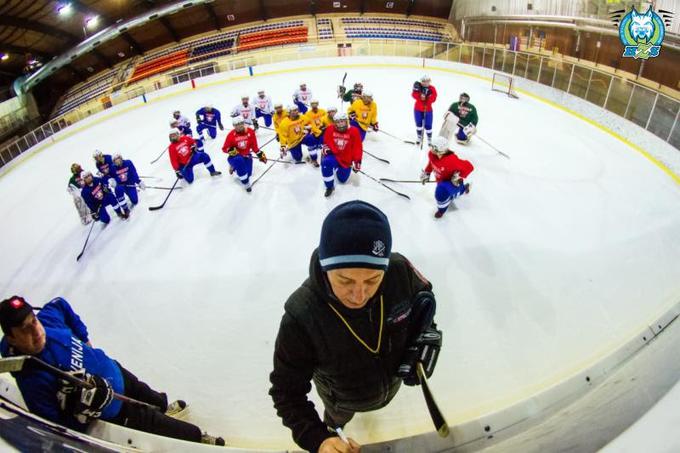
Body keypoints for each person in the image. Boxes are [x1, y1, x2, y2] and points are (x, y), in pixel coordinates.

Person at [269, 200, 442, 453]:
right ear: (326, 268)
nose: (359, 295)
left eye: (373, 280)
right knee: (336, 419)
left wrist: (426, 337)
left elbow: (422, 308)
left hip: (389, 385)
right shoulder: (301, 315)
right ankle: (333, 426)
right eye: (345, 280)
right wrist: (318, 439)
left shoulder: (401, 271)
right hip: (341, 399)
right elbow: (286, 392)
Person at [0, 295, 225, 445]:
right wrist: (80, 410)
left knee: (146, 392)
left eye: (33, 321)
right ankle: (198, 438)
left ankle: (163, 407)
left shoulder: (47, 321)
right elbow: (57, 427)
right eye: (24, 328)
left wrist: (85, 341)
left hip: (115, 371)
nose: (35, 330)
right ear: (11, 337)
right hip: (115, 407)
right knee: (154, 424)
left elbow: (60, 304)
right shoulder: (33, 379)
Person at [421, 136, 474, 218]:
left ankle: (441, 210)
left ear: (440, 151)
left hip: (451, 182)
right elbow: (431, 163)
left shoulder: (452, 161)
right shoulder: (432, 154)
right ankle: (464, 188)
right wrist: (427, 173)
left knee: (440, 193)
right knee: (445, 192)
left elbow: (469, 166)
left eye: (433, 147)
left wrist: (458, 176)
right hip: (441, 181)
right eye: (431, 146)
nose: (430, 148)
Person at [320, 113, 362, 198]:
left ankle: (338, 168)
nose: (340, 124)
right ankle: (329, 187)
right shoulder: (330, 129)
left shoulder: (354, 131)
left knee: (343, 180)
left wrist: (357, 161)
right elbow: (326, 141)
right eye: (337, 122)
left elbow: (357, 147)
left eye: (342, 121)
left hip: (346, 159)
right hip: (334, 155)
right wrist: (326, 147)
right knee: (326, 163)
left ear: (346, 121)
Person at [221, 116, 267, 192]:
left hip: (246, 156)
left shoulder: (250, 131)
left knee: (248, 174)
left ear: (244, 123)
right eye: (237, 125)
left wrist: (260, 154)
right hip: (235, 157)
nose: (239, 126)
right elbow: (224, 148)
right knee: (240, 165)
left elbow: (254, 146)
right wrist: (230, 150)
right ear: (234, 126)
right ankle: (246, 184)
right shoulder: (231, 135)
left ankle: (234, 167)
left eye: (241, 123)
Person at [412, 74, 438, 146]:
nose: (425, 83)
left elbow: (434, 98)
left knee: (428, 125)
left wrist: (428, 97)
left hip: (428, 109)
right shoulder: (418, 86)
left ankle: (429, 138)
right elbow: (413, 95)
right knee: (418, 123)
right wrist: (420, 96)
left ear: (429, 81)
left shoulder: (432, 88)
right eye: (423, 81)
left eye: (427, 81)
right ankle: (419, 137)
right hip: (417, 109)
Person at [302, 100, 326, 166]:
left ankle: (325, 156)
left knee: (326, 141)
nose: (314, 106)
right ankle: (314, 159)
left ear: (318, 104)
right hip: (313, 131)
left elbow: (326, 119)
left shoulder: (322, 111)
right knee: (310, 141)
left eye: (315, 104)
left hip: (322, 130)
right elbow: (304, 124)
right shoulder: (308, 114)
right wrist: (308, 127)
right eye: (312, 104)